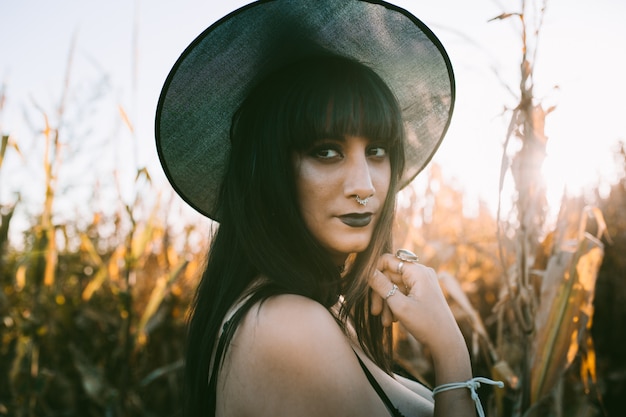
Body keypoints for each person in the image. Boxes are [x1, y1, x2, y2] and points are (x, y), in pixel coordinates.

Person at [155, 1, 502, 416]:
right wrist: (450, 351)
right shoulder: (289, 326)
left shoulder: (315, 310)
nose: (364, 186)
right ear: (270, 171)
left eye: (376, 151)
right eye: (326, 151)